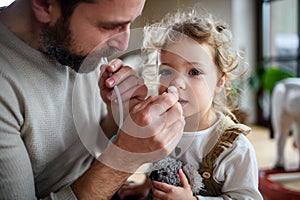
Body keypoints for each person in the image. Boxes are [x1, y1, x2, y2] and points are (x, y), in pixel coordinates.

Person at [0, 0, 185, 199]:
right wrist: (125, 159)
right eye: (109, 26)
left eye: (130, 22)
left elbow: (91, 143)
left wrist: (119, 114)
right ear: (45, 5)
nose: (122, 43)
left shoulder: (75, 47)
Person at [117, 8, 263, 199]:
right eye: (167, 72)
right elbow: (159, 166)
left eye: (194, 72)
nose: (176, 83)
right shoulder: (160, 127)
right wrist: (146, 187)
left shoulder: (234, 148)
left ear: (220, 81)